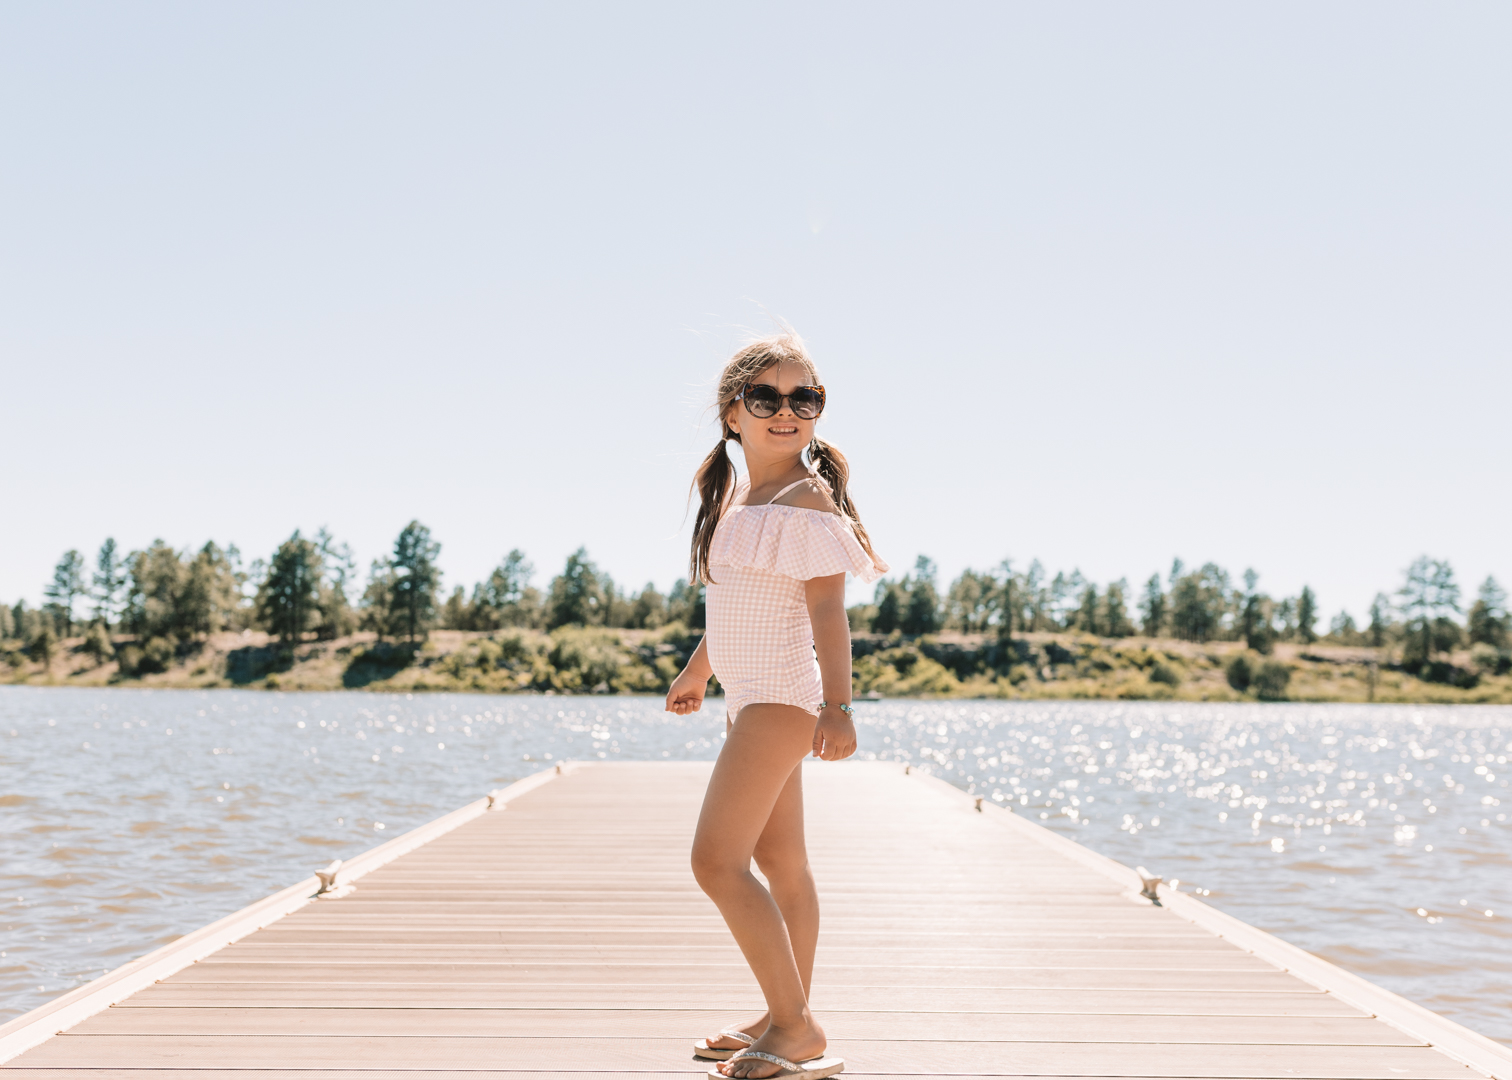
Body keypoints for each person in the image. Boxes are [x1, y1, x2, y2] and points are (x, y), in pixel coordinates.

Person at [666, 332, 887, 1080]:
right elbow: (733, 608)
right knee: (779, 860)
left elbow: (829, 614)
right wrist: (699, 670)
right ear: (734, 414)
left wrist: (839, 708)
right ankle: (782, 1011)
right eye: (767, 398)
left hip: (784, 703)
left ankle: (795, 1027)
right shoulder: (742, 500)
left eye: (805, 398)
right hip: (747, 699)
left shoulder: (806, 501)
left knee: (715, 861)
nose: (787, 411)